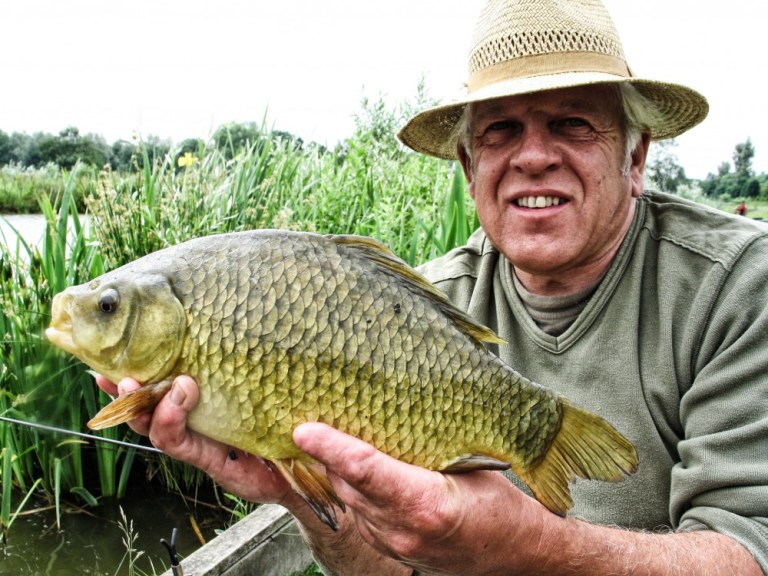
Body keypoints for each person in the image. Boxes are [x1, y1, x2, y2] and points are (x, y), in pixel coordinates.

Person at [98, 1, 768, 574]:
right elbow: (387, 568)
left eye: (571, 123)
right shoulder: (428, 305)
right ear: (469, 166)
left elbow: (750, 554)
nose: (533, 154)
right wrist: (295, 493)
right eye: (502, 130)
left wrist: (527, 546)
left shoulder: (739, 284)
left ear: (636, 154)